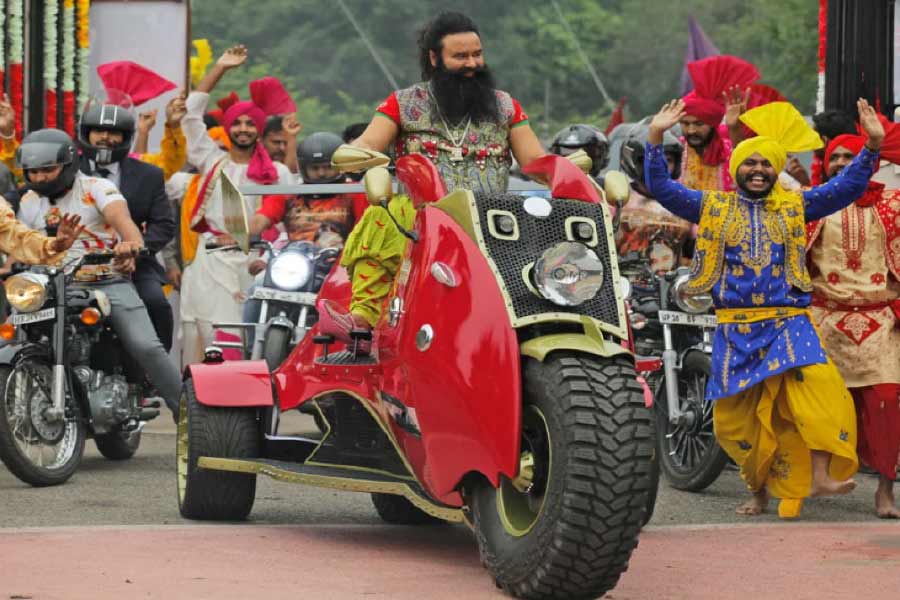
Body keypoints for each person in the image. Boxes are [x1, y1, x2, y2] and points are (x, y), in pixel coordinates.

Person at [645, 97, 884, 518]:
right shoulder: (712, 206)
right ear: (736, 169)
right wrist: (655, 136)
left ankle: (821, 473)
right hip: (736, 327)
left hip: (787, 321)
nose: (758, 171)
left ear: (776, 170)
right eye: (749, 164)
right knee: (739, 422)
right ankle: (758, 488)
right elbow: (663, 190)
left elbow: (845, 188)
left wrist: (872, 147)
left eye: (766, 165)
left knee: (821, 390)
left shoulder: (797, 205)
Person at [16, 129, 182, 419]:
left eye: (47, 170)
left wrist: (131, 245)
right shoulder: (29, 202)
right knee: (8, 339)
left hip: (106, 281)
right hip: (49, 287)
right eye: (33, 172)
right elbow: (19, 246)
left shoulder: (97, 188)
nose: (40, 178)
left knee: (146, 346)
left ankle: (188, 415)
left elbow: (124, 221)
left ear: (67, 165)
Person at [806, 126, 900, 518]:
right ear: (825, 167)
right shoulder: (811, 205)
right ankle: (818, 474)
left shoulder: (895, 203)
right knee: (819, 403)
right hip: (825, 318)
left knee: (886, 403)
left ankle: (885, 491)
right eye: (836, 159)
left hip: (880, 322)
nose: (842, 164)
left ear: (870, 162)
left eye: (851, 157)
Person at [180, 44, 295, 364]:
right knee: (205, 333)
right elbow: (190, 116)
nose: (243, 128)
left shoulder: (278, 173)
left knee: (251, 335)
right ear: (228, 128)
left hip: (255, 262)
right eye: (237, 123)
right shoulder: (211, 161)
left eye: (250, 123)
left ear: (259, 129)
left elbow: (279, 214)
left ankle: (247, 400)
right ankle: (202, 399)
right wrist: (220, 69)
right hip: (210, 261)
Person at [352, 11, 545, 194]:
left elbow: (535, 162)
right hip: (419, 225)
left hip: (492, 224)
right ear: (434, 58)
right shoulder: (403, 103)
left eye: (477, 54)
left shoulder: (506, 106)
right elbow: (368, 143)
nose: (471, 63)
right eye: (460, 56)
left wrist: (568, 169)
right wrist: (353, 153)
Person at [78, 91, 178, 353]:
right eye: (98, 131)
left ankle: (155, 376)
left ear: (126, 138)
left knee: (157, 304)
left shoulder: (149, 175)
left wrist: (137, 249)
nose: (106, 138)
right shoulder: (69, 169)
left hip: (134, 263)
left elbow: (164, 224)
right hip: (75, 261)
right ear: (86, 133)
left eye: (115, 133)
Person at [615, 122, 693, 276]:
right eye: (651, 159)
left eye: (668, 160)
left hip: (668, 293)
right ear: (634, 161)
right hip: (623, 291)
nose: (660, 166)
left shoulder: (685, 199)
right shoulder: (617, 197)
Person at [678, 55, 759, 192]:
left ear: (713, 124)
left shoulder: (730, 151)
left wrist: (734, 129)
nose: (691, 130)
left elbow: (751, 180)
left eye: (698, 124)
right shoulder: (674, 150)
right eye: (685, 123)